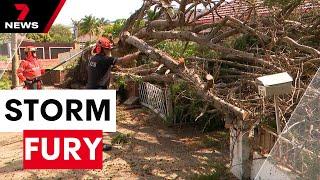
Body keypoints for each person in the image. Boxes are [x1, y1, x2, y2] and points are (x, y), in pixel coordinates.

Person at [87, 37, 139, 151]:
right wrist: (137, 54)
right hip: (98, 91)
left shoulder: (93, 59)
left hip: (90, 90)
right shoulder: (104, 59)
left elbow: (107, 67)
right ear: (102, 50)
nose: (109, 51)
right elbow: (121, 60)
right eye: (108, 49)